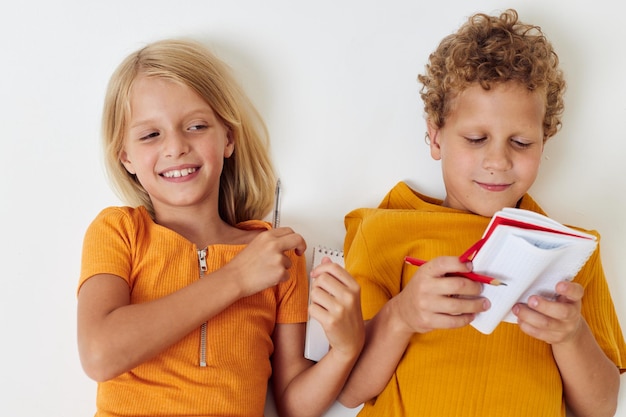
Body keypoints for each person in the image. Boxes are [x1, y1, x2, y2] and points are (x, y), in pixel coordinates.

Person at [337, 9, 625, 417]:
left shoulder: (573, 253)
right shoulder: (384, 231)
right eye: (476, 138)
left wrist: (571, 335)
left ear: (544, 143)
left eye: (521, 143)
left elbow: (600, 408)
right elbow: (348, 391)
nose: (497, 160)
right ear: (436, 136)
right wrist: (403, 314)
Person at [77, 38, 364, 417]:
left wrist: (346, 349)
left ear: (227, 138)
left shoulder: (277, 258)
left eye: (195, 126)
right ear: (125, 156)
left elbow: (293, 405)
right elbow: (99, 354)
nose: (176, 147)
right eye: (150, 135)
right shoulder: (118, 231)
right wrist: (238, 278)